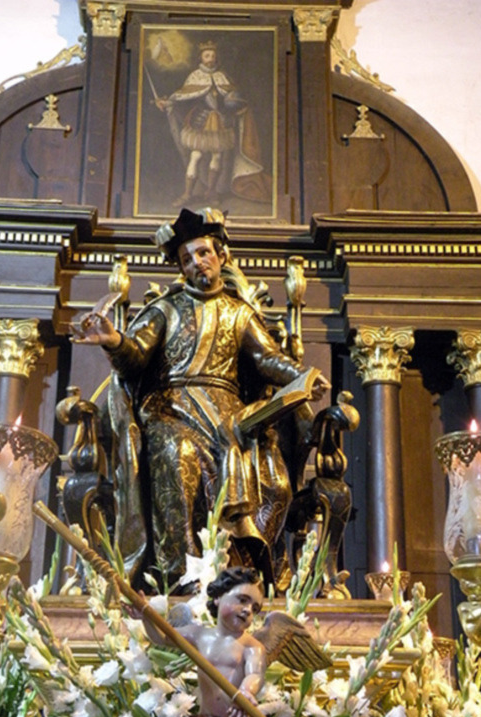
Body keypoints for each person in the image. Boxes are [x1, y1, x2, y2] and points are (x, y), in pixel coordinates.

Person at [71, 207, 329, 587]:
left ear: (221, 255)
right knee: (178, 457)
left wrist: (305, 377)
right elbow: (136, 354)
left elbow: (267, 359)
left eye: (203, 253)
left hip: (228, 416)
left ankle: (247, 573)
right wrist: (113, 341)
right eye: (186, 258)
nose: (196, 263)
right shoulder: (165, 309)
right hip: (170, 409)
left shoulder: (239, 313)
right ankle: (182, 577)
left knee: (274, 480)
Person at [138, 566, 268, 717]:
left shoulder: (252, 646)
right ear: (218, 597)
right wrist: (145, 615)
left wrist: (246, 692)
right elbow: (162, 637)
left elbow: (255, 674)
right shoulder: (200, 636)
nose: (248, 610)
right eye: (242, 600)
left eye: (255, 608)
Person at [155, 41, 270, 206]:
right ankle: (187, 194)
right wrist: (167, 102)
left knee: (217, 157)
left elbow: (233, 97)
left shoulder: (221, 76)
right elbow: (182, 96)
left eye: (213, 56)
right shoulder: (195, 76)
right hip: (200, 121)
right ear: (201, 57)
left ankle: (211, 192)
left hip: (220, 121)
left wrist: (236, 103)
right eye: (207, 55)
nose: (210, 59)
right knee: (196, 155)